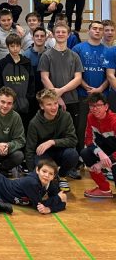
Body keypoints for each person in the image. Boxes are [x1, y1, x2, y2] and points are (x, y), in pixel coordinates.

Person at [39, 22, 83, 164]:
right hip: (52, 103)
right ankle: (50, 165)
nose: (60, 34)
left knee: (71, 134)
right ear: (53, 34)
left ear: (68, 34)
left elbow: (78, 79)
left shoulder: (74, 56)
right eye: (58, 32)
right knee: (53, 134)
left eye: (63, 32)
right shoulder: (46, 55)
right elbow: (44, 78)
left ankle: (71, 165)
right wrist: (56, 98)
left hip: (72, 100)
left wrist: (61, 91)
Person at [25, 88, 78, 192]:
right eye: (49, 104)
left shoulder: (66, 116)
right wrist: (32, 174)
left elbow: (73, 140)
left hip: (61, 151)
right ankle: (51, 178)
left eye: (55, 103)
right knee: (41, 168)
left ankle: (62, 176)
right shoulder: (34, 123)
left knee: (73, 154)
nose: (54, 107)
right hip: (43, 155)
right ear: (42, 106)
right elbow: (29, 150)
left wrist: (52, 142)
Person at [72, 20, 109, 151]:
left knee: (102, 127)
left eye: (100, 29)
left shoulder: (108, 51)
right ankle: (81, 154)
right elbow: (74, 72)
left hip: (102, 96)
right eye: (94, 28)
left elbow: (110, 75)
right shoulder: (78, 49)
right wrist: (86, 87)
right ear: (89, 31)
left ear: (103, 32)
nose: (97, 31)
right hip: (83, 95)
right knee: (81, 126)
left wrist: (100, 89)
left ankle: (103, 155)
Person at [0, 33, 35, 129]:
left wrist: (28, 100)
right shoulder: (2, 63)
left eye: (17, 46)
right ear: (8, 47)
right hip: (7, 105)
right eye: (12, 46)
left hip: (24, 106)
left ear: (21, 46)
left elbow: (31, 84)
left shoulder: (27, 62)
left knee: (23, 129)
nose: (15, 49)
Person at [80, 93, 116, 198]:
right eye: (91, 106)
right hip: (104, 152)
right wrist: (99, 153)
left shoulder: (114, 121)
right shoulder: (90, 117)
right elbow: (88, 140)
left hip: (114, 154)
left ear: (106, 106)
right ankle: (104, 189)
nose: (94, 109)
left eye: (98, 105)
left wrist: (102, 163)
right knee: (85, 153)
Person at [23, 26, 48, 93]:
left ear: (46, 38)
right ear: (32, 38)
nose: (39, 38)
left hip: (47, 92)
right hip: (30, 92)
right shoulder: (25, 55)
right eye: (37, 36)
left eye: (42, 36)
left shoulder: (50, 55)